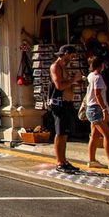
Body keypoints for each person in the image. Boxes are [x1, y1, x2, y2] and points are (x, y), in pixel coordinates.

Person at [85, 56, 109, 171]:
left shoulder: (90, 76)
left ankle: (92, 159)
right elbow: (98, 94)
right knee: (108, 135)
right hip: (96, 109)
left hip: (91, 108)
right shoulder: (98, 77)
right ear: (101, 65)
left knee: (95, 135)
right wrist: (104, 110)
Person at [49, 45, 82, 174]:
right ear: (66, 53)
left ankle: (63, 160)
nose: (73, 58)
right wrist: (74, 80)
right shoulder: (55, 66)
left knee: (64, 134)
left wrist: (75, 82)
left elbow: (66, 83)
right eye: (72, 55)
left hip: (67, 102)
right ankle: (59, 162)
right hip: (58, 103)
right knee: (60, 133)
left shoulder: (64, 67)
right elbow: (59, 85)